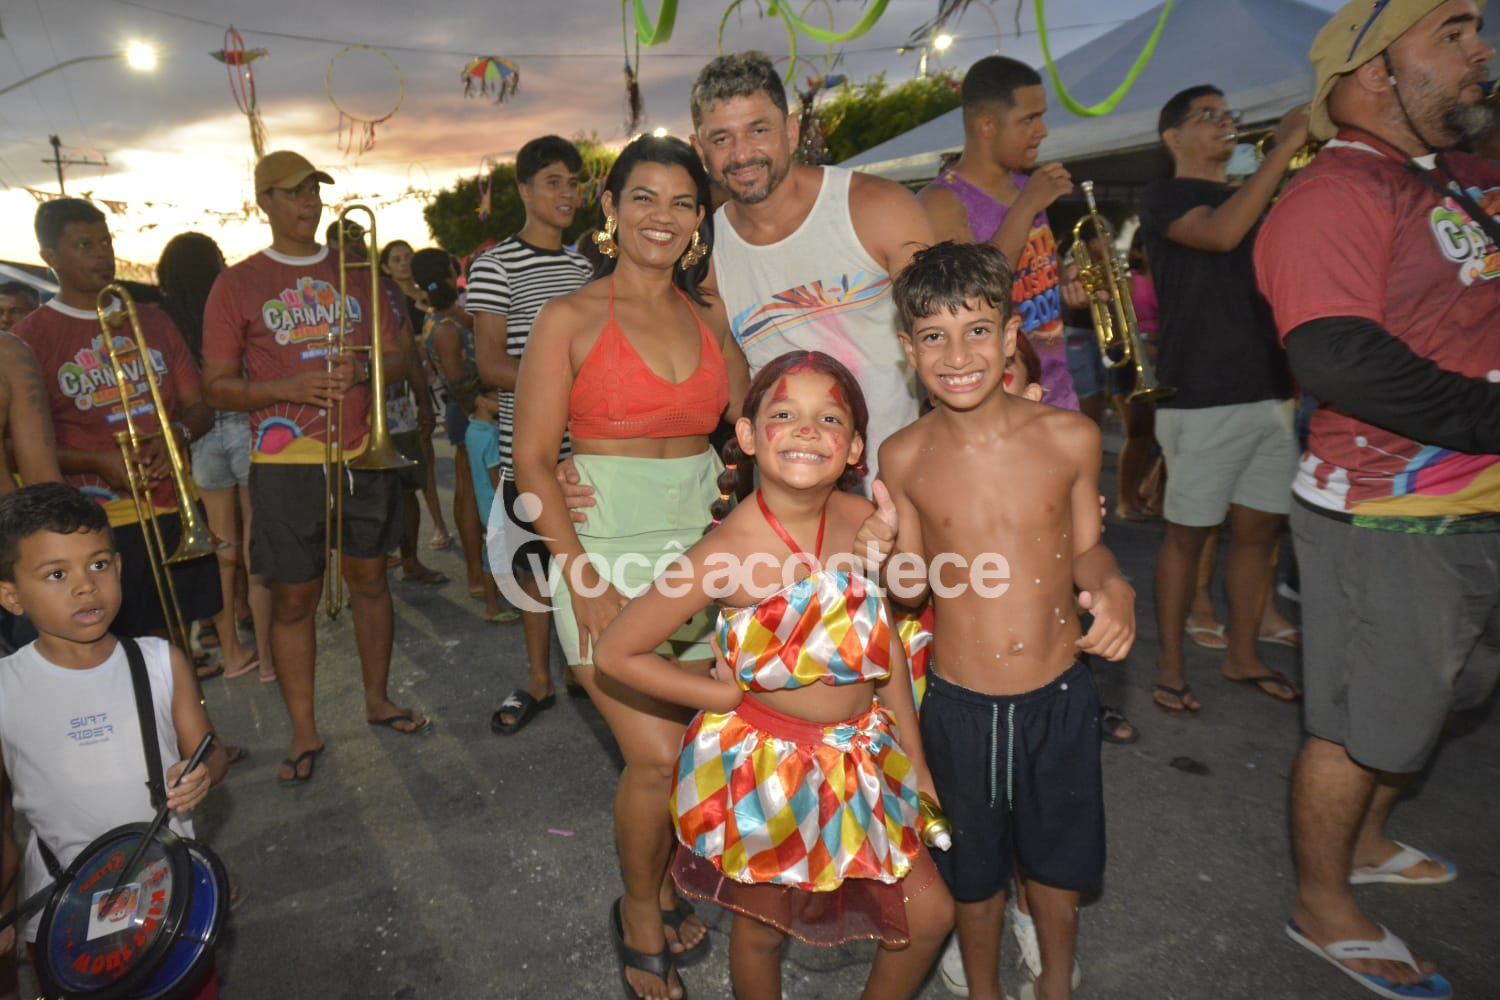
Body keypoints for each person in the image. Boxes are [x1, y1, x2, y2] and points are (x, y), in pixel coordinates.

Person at [1255, 3, 1500, 998]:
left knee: (1443, 695)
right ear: (1372, 74)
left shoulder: (1443, 176)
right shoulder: (1337, 191)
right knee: (1361, 724)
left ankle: (1364, 841)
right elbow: (1338, 356)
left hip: (1466, 502)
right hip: (1387, 513)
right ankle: (1323, 903)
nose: (1481, 48)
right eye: (1451, 32)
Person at [595, 351, 953, 1000]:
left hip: (865, 759)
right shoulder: (726, 552)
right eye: (785, 414)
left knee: (929, 918)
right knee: (763, 932)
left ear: (854, 448)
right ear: (749, 436)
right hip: (771, 775)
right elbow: (617, 652)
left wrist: (918, 762)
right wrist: (717, 693)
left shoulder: (863, 525)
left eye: (830, 419)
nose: (808, 429)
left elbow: (887, 652)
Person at [865, 242, 1135, 1000]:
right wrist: (881, 555)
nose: (958, 356)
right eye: (934, 336)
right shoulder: (903, 456)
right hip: (960, 706)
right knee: (972, 873)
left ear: (1011, 334)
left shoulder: (1069, 437)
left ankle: (1055, 983)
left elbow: (1088, 548)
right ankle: (982, 988)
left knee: (1058, 865)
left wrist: (1115, 589)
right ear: (907, 347)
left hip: (1059, 695)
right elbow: (911, 588)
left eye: (978, 330)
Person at [513, 135, 747, 1000]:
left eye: (683, 203)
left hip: (705, 553)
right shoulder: (567, 318)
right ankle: (639, 909)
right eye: (643, 197)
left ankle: (666, 878)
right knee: (656, 756)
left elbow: (748, 430)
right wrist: (580, 578)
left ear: (700, 220)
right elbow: (532, 459)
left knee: (695, 746)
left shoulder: (710, 316)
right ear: (610, 207)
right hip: (604, 551)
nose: (663, 217)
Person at [201, 150, 427, 788]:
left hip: (362, 453)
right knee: (294, 598)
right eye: (294, 192)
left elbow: (399, 354)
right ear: (264, 202)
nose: (309, 201)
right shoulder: (237, 283)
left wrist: (366, 369)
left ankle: (378, 700)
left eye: (314, 189)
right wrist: (290, 387)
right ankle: (304, 730)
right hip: (285, 461)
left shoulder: (357, 270)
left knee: (371, 581)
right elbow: (216, 386)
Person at [0, 482, 228, 998]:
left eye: (99, 565)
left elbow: (210, 750)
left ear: (120, 568)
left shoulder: (160, 661)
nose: (86, 587)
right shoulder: (6, 689)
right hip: (64, 914)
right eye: (57, 574)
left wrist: (201, 773)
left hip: (168, 896)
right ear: (11, 596)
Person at [1138, 86, 1306, 715]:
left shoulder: (1254, 195)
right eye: (1207, 116)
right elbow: (1221, 234)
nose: (1225, 123)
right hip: (1201, 392)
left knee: (1258, 533)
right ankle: (1170, 666)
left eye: (1228, 114)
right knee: (1188, 535)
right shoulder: (1165, 196)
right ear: (1172, 137)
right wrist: (1284, 146)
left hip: (1269, 385)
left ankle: (1243, 654)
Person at [690, 51, 934, 482]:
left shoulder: (875, 207)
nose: (742, 154)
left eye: (758, 130)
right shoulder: (705, 256)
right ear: (699, 150)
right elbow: (728, 393)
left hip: (907, 484)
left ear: (790, 130)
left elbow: (947, 334)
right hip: (793, 500)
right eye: (721, 138)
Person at [14, 199, 221, 644]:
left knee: (174, 639)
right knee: (119, 645)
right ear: (49, 257)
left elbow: (200, 406)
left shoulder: (152, 319)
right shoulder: (29, 340)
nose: (101, 254)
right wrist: (97, 461)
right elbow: (14, 447)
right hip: (96, 521)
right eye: (84, 245)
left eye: (105, 241)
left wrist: (176, 436)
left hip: (173, 505)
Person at [468, 135, 593, 730]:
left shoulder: (585, 267)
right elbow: (491, 363)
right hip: (532, 450)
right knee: (536, 568)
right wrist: (568, 384)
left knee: (585, 560)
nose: (567, 194)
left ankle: (581, 667)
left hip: (590, 450)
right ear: (523, 190)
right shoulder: (494, 265)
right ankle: (540, 679)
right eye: (552, 182)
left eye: (573, 182)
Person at [919, 55, 1088, 412]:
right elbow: (972, 293)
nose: (1042, 131)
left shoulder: (1029, 188)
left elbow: (1036, 280)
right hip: (994, 405)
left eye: (1041, 117)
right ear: (987, 125)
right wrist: (1028, 204)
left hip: (1057, 390)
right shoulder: (942, 202)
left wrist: (1070, 286)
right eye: (1029, 119)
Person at [157, 232, 268, 683]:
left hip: (201, 435)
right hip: (245, 424)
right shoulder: (227, 303)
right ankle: (269, 654)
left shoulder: (166, 320)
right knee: (256, 542)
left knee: (220, 545)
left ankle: (232, 651)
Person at [409, 248, 511, 627]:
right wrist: (483, 411)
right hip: (470, 414)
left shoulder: (447, 318)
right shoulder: (446, 329)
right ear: (452, 275)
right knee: (471, 494)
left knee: (473, 491)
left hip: (475, 412)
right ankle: (475, 573)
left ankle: (480, 571)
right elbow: (458, 383)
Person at [380, 239, 452, 552]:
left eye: (407, 256)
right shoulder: (387, 302)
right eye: (396, 259)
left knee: (430, 459)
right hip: (409, 382)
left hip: (437, 378)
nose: (404, 263)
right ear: (386, 267)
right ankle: (432, 527)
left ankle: (440, 523)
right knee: (418, 459)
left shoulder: (427, 293)